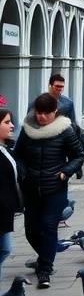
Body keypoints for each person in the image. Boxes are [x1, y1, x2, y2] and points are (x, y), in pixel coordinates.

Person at [14, 92, 84, 289]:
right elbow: (17, 155)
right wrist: (23, 173)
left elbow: (78, 156)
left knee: (48, 227)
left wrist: (66, 172)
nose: (42, 117)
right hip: (31, 187)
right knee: (30, 231)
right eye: (39, 113)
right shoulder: (27, 130)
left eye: (46, 113)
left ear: (55, 112)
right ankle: (45, 255)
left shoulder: (65, 130)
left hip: (55, 187)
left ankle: (44, 270)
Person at [0, 109, 20, 285]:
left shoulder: (6, 149)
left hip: (6, 211)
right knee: (4, 249)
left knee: (5, 249)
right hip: (1, 211)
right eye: (6, 122)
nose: (12, 125)